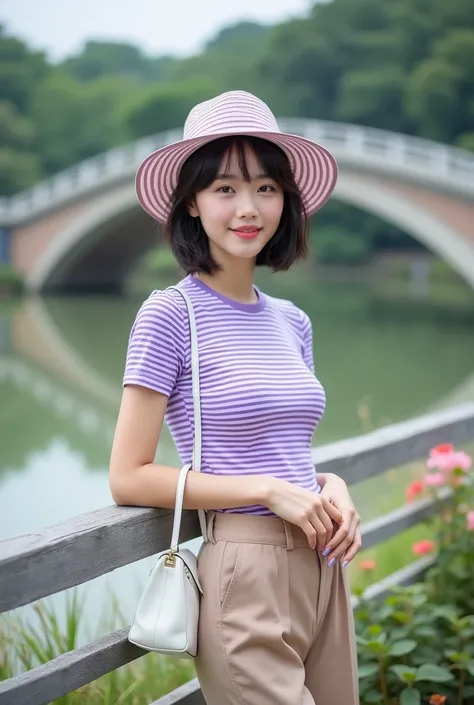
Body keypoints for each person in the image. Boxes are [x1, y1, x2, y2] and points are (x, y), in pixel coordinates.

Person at [109, 90, 361, 705]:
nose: (248, 208)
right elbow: (129, 477)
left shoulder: (292, 321)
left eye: (267, 188)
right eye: (225, 188)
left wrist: (330, 484)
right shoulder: (170, 314)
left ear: (286, 201)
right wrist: (264, 491)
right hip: (244, 569)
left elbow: (283, 447)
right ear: (191, 203)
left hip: (323, 564)